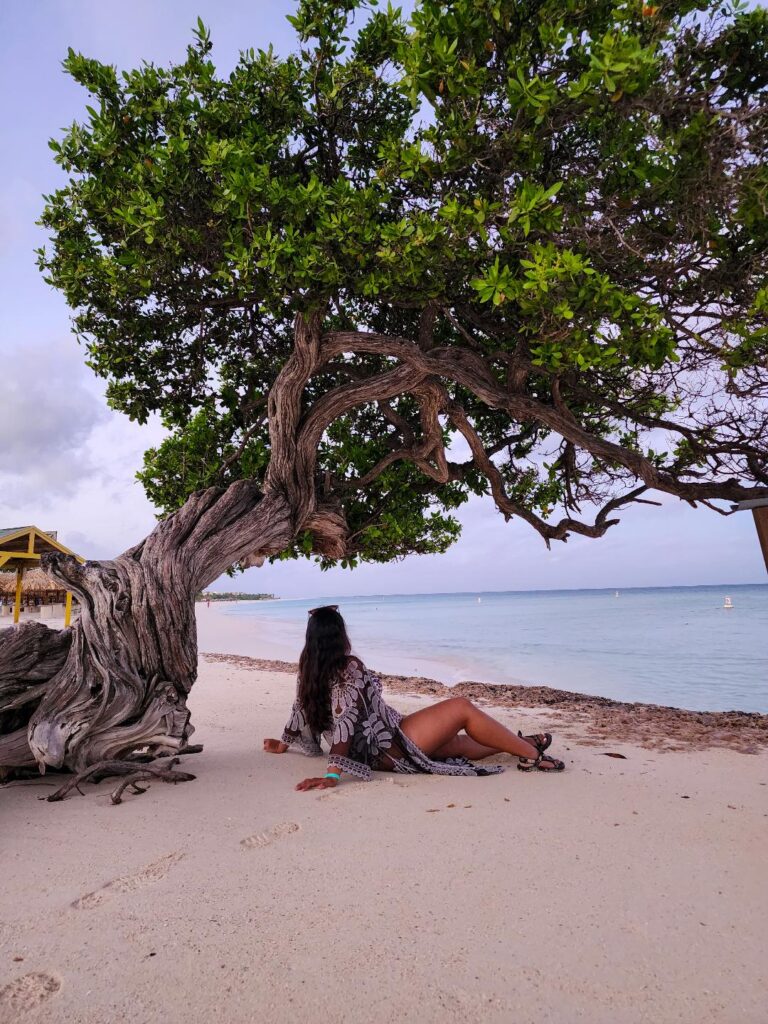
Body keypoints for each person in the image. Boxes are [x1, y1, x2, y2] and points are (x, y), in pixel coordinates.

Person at [263, 605, 564, 791]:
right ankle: (531, 756)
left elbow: (300, 711)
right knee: (461, 707)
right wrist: (333, 774)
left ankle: (524, 745)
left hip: (378, 746)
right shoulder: (347, 667)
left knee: (457, 744)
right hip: (390, 745)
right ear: (338, 635)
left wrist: (283, 744)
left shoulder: (308, 670)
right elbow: (345, 721)